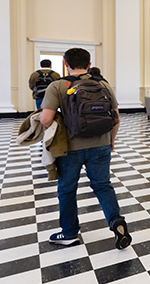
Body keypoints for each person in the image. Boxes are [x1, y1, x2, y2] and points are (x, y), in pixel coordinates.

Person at [39, 48, 131, 250]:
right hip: (101, 145)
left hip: (70, 148)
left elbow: (45, 119)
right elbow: (116, 117)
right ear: (89, 64)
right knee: (103, 186)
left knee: (67, 189)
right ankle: (116, 222)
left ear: (65, 63)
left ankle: (70, 232)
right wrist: (111, 141)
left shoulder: (58, 86)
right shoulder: (102, 84)